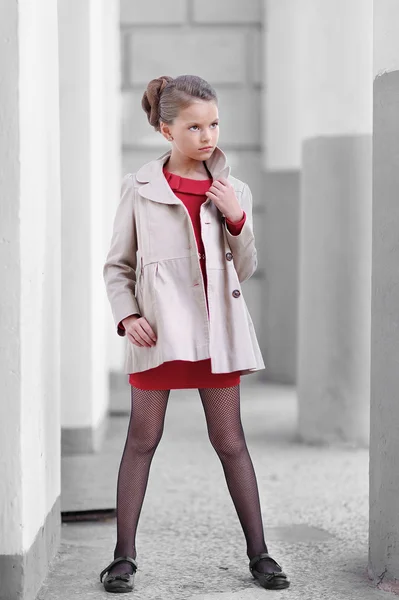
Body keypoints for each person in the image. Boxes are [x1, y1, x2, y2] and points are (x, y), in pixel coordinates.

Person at [99, 74, 290, 593]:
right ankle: (123, 557)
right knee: (142, 439)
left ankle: (260, 554)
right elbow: (117, 265)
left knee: (230, 440)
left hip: (216, 335)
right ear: (166, 130)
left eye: (214, 124)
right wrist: (128, 315)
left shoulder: (233, 189)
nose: (208, 135)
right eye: (194, 126)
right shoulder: (138, 187)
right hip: (158, 335)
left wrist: (236, 219)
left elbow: (244, 267)